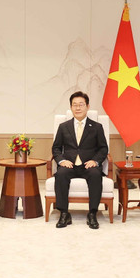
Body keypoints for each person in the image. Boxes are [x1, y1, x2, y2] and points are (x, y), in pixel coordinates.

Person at [51, 91, 109, 230]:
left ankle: (92, 213)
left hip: (88, 164)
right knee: (60, 175)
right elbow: (56, 148)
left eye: (81, 105)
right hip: (69, 164)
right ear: (71, 107)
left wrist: (95, 161)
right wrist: (61, 161)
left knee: (95, 175)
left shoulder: (96, 127)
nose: (77, 108)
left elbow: (103, 148)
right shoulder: (63, 126)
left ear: (87, 106)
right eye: (74, 105)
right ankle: (64, 213)